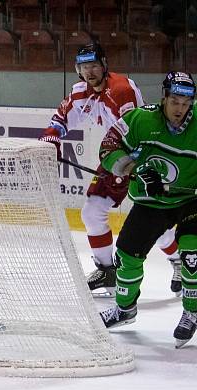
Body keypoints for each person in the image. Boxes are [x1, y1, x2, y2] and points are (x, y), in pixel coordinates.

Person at [38, 43, 179, 297]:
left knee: (154, 222)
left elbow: (138, 131)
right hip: (116, 156)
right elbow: (60, 119)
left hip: (146, 156)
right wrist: (52, 138)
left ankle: (179, 262)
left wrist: (130, 166)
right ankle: (107, 270)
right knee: (92, 212)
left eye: (93, 65)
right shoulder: (81, 92)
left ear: (104, 65)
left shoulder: (121, 90)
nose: (89, 72)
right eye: (83, 67)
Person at [99, 71, 197, 348]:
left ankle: (192, 311)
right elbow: (108, 149)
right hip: (150, 202)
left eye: (185, 103)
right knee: (127, 256)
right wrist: (135, 169)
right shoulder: (141, 120)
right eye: (175, 101)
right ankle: (125, 309)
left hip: (192, 200)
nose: (180, 109)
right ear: (164, 97)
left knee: (193, 254)